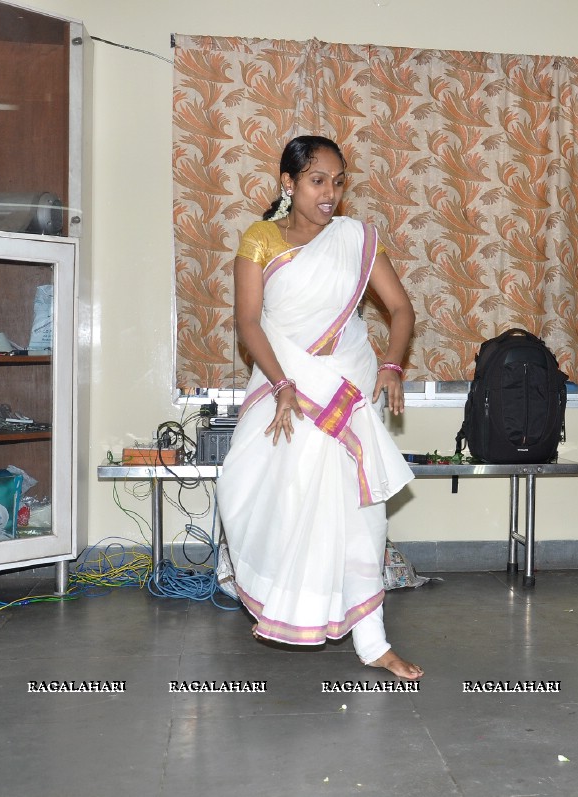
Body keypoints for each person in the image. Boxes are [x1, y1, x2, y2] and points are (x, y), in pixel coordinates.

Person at [215, 135, 422, 679]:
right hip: (284, 389)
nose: (331, 193)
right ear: (288, 183)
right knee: (269, 498)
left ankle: (373, 642)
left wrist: (393, 365)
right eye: (317, 180)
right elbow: (249, 323)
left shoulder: (355, 239)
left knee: (358, 514)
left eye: (338, 180)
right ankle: (294, 606)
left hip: (347, 385)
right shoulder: (259, 240)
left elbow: (401, 310)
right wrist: (284, 384)